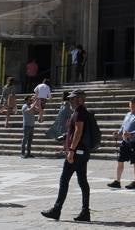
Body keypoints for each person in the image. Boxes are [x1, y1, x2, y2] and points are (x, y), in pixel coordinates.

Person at [41, 90, 93, 222]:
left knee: (64, 180)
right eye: (70, 98)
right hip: (81, 152)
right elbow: (75, 131)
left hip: (76, 153)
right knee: (82, 182)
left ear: (80, 99)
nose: (70, 100)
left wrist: (71, 150)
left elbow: (79, 132)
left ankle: (57, 210)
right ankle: (85, 212)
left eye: (73, 98)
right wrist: (65, 137)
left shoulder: (80, 112)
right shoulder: (79, 112)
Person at [107, 98, 135, 190]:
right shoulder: (128, 114)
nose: (131, 107)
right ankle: (117, 181)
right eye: (130, 105)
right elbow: (123, 126)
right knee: (120, 160)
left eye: (133, 105)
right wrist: (118, 133)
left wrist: (131, 134)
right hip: (125, 141)